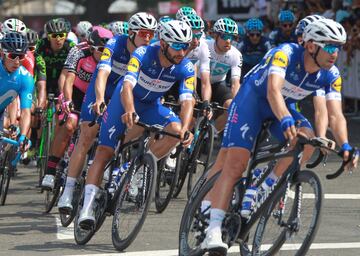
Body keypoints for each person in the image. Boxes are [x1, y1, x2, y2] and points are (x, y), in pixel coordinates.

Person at [200, 18, 359, 254]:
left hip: (281, 108)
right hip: (252, 102)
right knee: (235, 164)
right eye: (330, 47)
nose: (335, 53)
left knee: (308, 138)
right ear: (312, 45)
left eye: (338, 47)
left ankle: (266, 185)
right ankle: (212, 228)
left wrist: (345, 146)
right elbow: (273, 90)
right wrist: (285, 118)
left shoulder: (330, 74)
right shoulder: (284, 53)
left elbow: (335, 115)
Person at [77, 20, 195, 228]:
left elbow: (187, 100)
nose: (182, 52)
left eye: (185, 46)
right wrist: (129, 110)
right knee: (105, 151)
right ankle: (87, 208)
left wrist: (186, 128)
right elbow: (127, 85)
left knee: (175, 131)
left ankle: (136, 168)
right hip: (124, 101)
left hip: (151, 106)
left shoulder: (185, 66)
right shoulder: (142, 54)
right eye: (177, 46)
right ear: (164, 43)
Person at [56, 12, 157, 211]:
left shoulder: (149, 52)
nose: (148, 38)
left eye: (151, 34)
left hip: (124, 95)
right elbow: (102, 73)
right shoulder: (115, 44)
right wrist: (100, 99)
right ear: (131, 33)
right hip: (102, 89)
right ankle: (67, 192)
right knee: (86, 136)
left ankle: (116, 176)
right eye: (144, 33)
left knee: (125, 135)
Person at [38, 18, 76, 189]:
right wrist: (41, 97)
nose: (58, 39)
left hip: (62, 82)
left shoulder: (70, 48)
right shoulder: (41, 46)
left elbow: (67, 76)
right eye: (54, 35)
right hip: (43, 79)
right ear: (48, 36)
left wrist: (63, 97)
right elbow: (39, 73)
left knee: (62, 117)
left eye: (61, 35)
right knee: (40, 104)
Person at [198, 17, 242, 133]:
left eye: (231, 37)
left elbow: (235, 84)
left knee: (232, 107)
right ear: (216, 36)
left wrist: (237, 104)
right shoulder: (204, 46)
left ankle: (211, 134)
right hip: (199, 81)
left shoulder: (236, 55)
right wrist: (206, 102)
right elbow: (205, 81)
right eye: (224, 36)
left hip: (218, 84)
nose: (228, 40)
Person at [0, 32, 34, 150]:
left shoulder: (26, 78)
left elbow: (25, 111)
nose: (16, 61)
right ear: (2, 53)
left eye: (20, 56)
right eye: (12, 55)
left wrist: (23, 136)